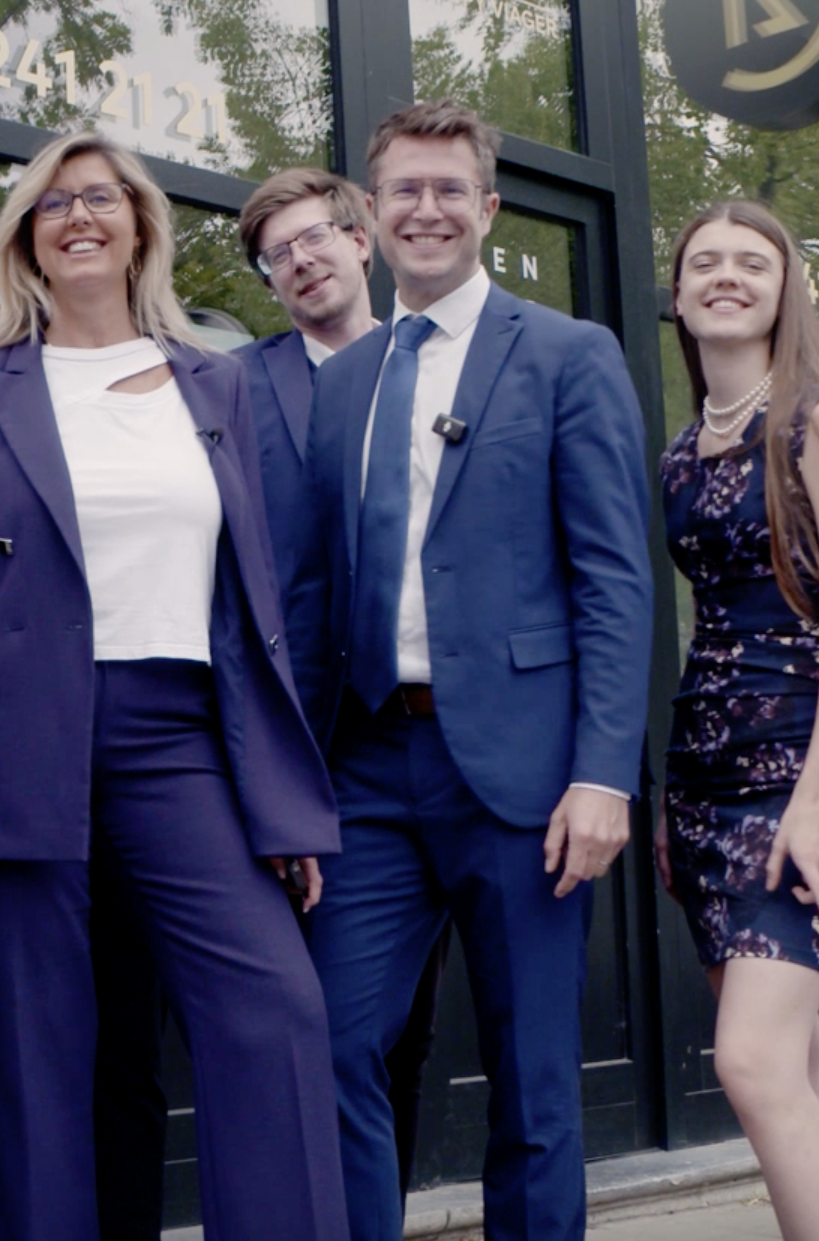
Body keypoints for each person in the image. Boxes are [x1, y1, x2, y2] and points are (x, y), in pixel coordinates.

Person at [0, 130, 346, 1241]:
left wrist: (276, 794)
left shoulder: (216, 382)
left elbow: (251, 605)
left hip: (177, 733)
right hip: (11, 739)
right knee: (36, 1053)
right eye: (52, 205)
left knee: (272, 1015)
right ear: (27, 241)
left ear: (139, 222)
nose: (77, 216)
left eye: (100, 197)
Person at [286, 99, 653, 1241]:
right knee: (331, 1041)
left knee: (532, 1078)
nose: (428, 209)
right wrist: (291, 784)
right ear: (372, 214)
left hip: (527, 777)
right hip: (367, 770)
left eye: (451, 189)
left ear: (486, 208)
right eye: (405, 190)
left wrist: (604, 773)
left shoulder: (567, 354)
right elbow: (310, 594)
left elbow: (614, 580)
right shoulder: (342, 381)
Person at [656, 202, 819, 1241]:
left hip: (801, 770)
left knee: (747, 1059)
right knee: (788, 1058)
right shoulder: (679, 451)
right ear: (677, 292)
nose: (725, 275)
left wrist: (809, 806)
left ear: (784, 287)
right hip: (702, 779)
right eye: (704, 260)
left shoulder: (818, 420)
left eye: (752, 261)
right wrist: (670, 800)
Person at [236, 166, 448, 1196]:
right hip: (320, 748)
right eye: (277, 254)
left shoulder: (436, 368)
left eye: (316, 236)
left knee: (417, 1028)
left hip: (457, 737)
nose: (302, 260)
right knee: (341, 1023)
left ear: (360, 238)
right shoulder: (239, 385)